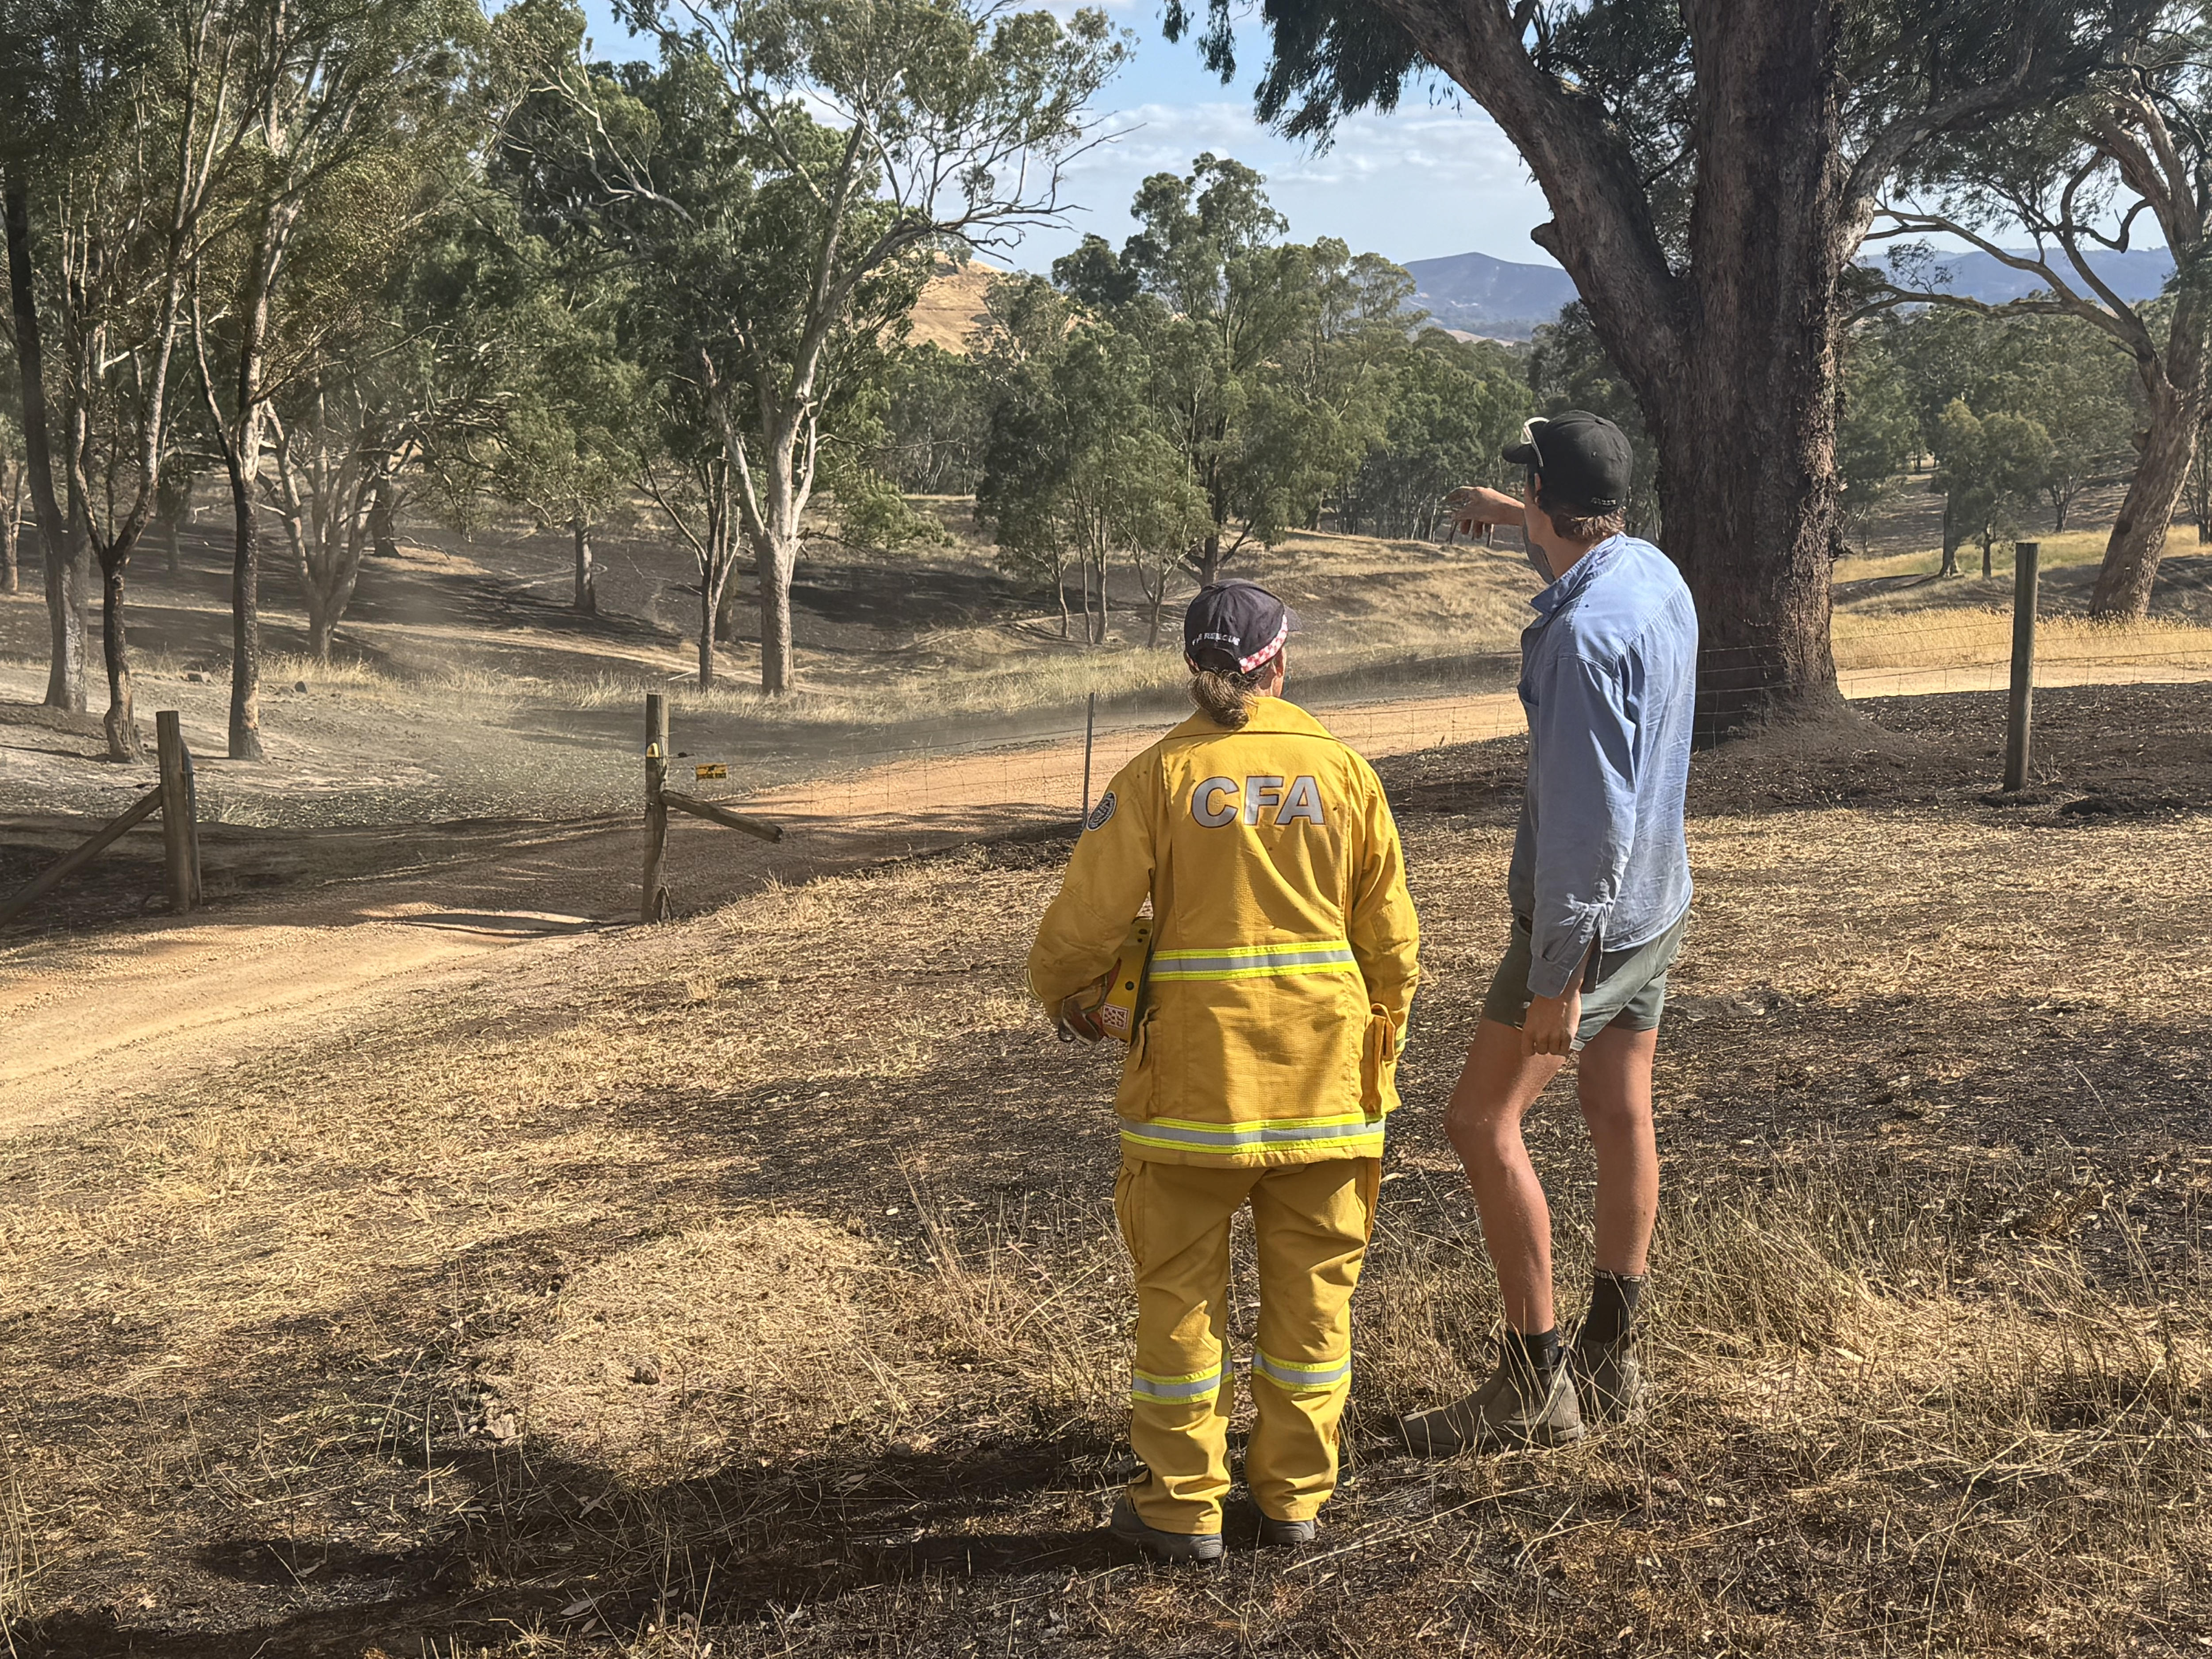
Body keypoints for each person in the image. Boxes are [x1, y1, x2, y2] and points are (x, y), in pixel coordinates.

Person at [1030, 580, 1421, 1562]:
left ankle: (1181, 1509)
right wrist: (1381, 1046)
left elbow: (1082, 925)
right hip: (1326, 1091)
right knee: (1313, 1301)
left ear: (1191, 672)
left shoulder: (1155, 777)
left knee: (1178, 1304)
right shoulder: (1344, 775)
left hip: (1190, 1099)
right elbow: (1392, 945)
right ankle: (1293, 1499)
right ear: (1280, 663)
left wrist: (1070, 998)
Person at [1396, 410, 1697, 1455]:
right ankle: (1619, 1361)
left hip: (1589, 923)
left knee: (1480, 1123)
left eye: (1519, 492)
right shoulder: (1652, 571)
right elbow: (1578, 546)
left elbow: (1585, 828)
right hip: (1660, 902)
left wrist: (1555, 981)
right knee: (1620, 1109)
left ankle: (1534, 1379)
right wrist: (1508, 514)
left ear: (1543, 500)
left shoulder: (1576, 638)